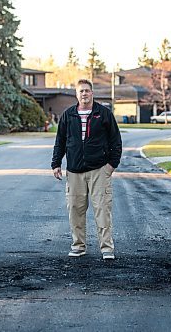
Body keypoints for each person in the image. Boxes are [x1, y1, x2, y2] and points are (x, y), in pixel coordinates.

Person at [51, 79, 122, 260]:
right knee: (75, 210)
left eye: (87, 91)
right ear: (77, 94)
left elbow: (116, 141)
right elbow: (60, 141)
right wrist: (56, 163)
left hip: (99, 170)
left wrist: (111, 166)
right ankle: (78, 246)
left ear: (92, 93)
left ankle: (107, 248)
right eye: (81, 91)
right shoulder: (68, 115)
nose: (84, 94)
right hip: (74, 171)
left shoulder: (103, 114)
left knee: (102, 209)